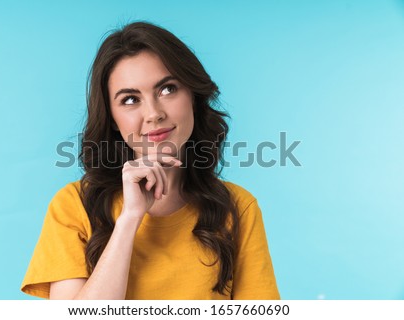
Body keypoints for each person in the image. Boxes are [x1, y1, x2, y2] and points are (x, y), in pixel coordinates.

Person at [21, 21, 280, 300]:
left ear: (193, 96)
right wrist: (129, 218)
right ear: (113, 120)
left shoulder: (239, 209)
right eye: (130, 99)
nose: (154, 113)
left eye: (167, 89)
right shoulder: (73, 206)